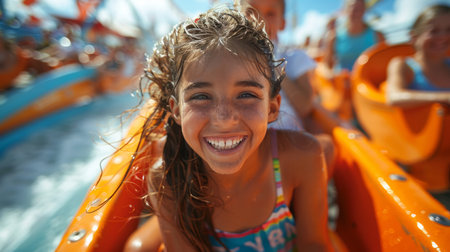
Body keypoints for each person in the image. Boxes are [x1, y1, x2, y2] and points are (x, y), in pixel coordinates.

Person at [125, 6, 332, 252]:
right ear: (177, 110)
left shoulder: (303, 156)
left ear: (272, 108)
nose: (224, 118)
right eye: (201, 96)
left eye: (246, 94)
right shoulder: (168, 181)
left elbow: (314, 245)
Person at [244, 0, 335, 173]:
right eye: (251, 11)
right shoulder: (230, 59)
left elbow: (305, 106)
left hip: (288, 142)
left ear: (283, 23)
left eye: (270, 14)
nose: (259, 20)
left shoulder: (293, 58)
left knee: (325, 146)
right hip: (251, 143)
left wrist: (271, 64)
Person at [386, 4, 450, 106]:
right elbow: (394, 97)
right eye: (433, 31)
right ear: (414, 36)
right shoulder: (403, 65)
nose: (442, 36)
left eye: (448, 30)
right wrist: (444, 98)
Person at [323, 0, 384, 73]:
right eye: (352, 7)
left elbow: (384, 61)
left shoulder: (378, 35)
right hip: (344, 81)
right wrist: (330, 75)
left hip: (370, 80)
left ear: (365, 10)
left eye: (359, 7)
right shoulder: (333, 37)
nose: (356, 11)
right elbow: (326, 66)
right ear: (345, 10)